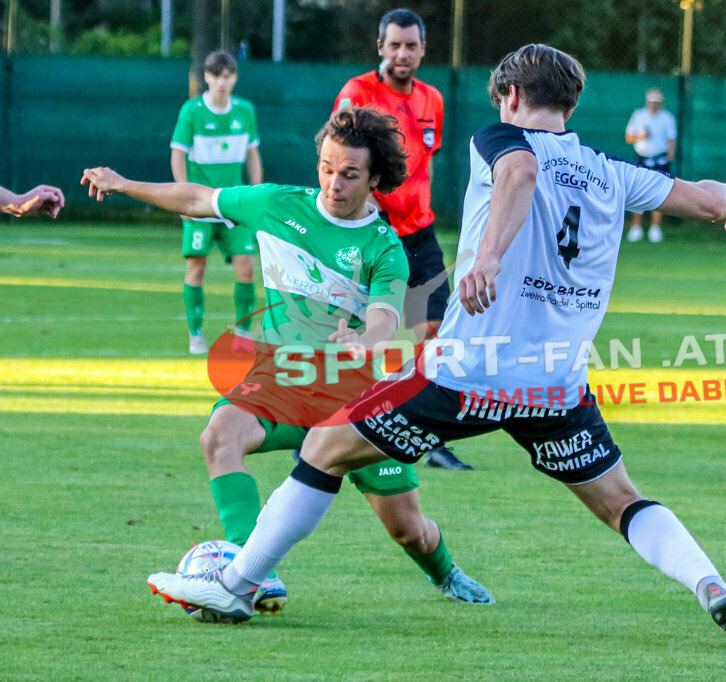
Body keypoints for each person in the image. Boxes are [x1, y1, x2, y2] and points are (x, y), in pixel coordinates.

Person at [145, 44, 726, 649]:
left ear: (512, 94)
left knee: (324, 447)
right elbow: (710, 198)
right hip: (555, 385)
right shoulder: (613, 172)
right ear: (570, 104)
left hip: (466, 372)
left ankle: (237, 584)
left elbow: (520, 171)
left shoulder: (500, 139)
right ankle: (710, 585)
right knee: (622, 502)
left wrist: (491, 255)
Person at [82, 108, 494, 620]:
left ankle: (446, 573)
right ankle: (248, 570)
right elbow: (197, 198)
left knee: (408, 530)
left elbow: (386, 316)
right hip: (282, 379)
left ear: (375, 180)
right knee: (219, 435)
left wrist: (366, 341)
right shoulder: (277, 205)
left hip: (354, 399)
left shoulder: (383, 246)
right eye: (326, 168)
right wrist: (124, 184)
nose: (333, 184)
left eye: (349, 174)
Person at [331, 8, 471, 471]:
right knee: (356, 335)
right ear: (380, 47)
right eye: (394, 45)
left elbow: (423, 162)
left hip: (421, 233)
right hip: (374, 236)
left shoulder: (433, 99)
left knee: (436, 333)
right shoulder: (358, 94)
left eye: (411, 45)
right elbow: (341, 159)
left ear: (423, 49)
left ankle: (427, 436)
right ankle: (323, 428)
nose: (402, 53)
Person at [171, 50, 262, 356]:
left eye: (228, 76)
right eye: (217, 76)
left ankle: (243, 335)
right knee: (197, 266)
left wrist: (256, 195)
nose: (223, 82)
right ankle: (195, 334)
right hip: (199, 205)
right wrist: (182, 197)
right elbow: (178, 154)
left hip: (234, 205)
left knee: (246, 267)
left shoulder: (245, 111)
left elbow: (252, 154)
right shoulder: (192, 111)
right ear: (207, 77)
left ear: (235, 78)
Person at [624, 87, 676, 243]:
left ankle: (655, 228)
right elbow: (629, 138)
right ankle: (636, 228)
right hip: (642, 158)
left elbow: (671, 140)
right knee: (637, 192)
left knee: (660, 193)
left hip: (660, 159)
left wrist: (669, 156)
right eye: (652, 102)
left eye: (657, 102)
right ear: (647, 102)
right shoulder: (639, 116)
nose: (654, 105)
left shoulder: (667, 118)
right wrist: (641, 136)